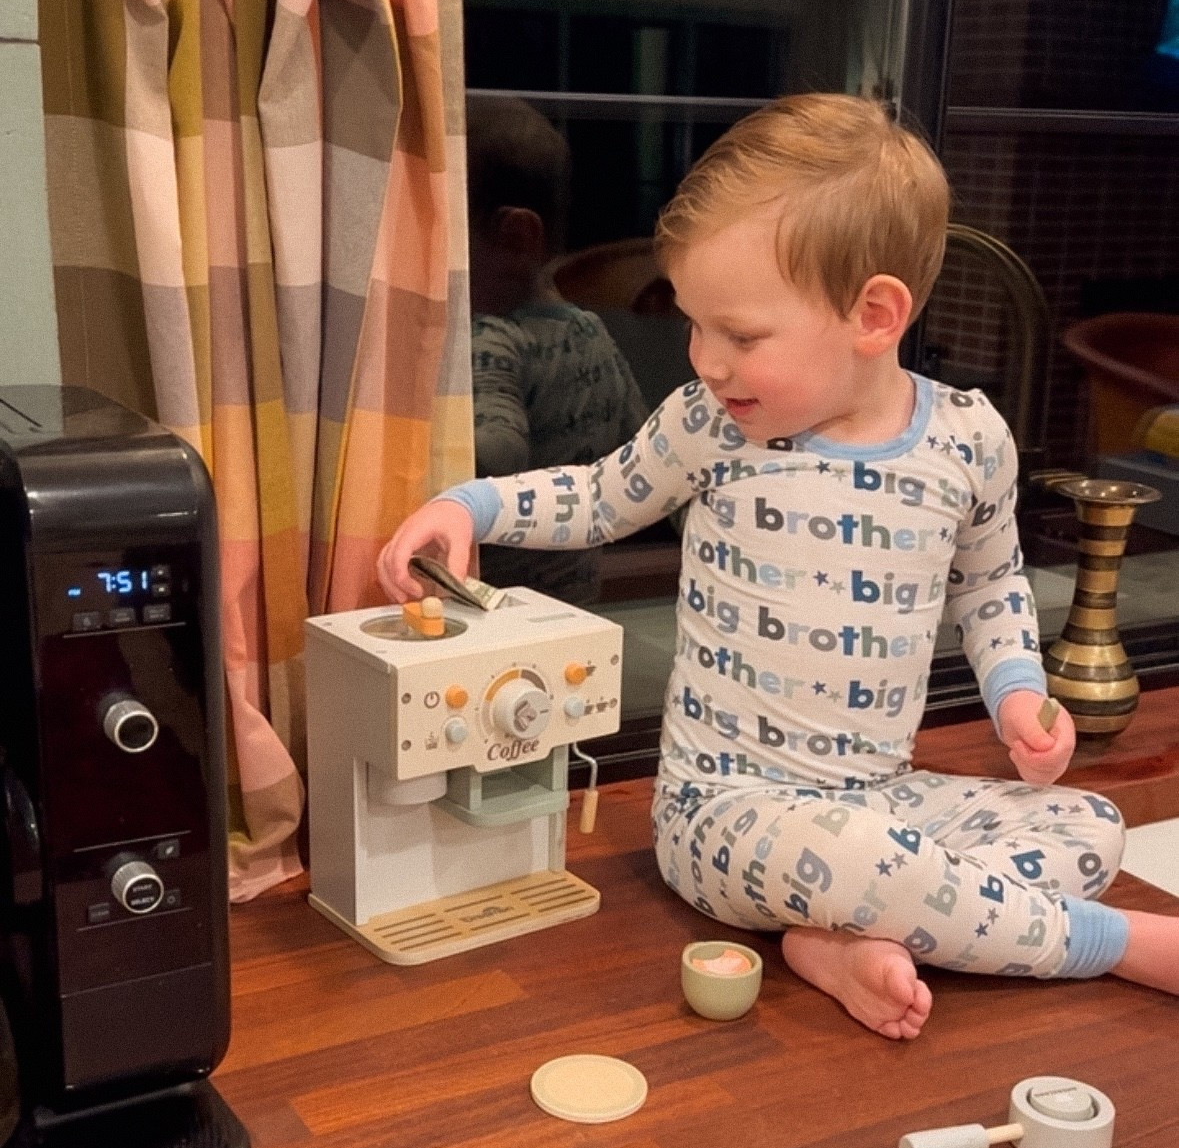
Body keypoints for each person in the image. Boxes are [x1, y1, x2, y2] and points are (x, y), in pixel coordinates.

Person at [378, 92, 1179, 1039]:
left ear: (873, 315)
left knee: (1087, 829)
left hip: (875, 796)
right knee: (877, 861)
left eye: (741, 334)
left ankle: (832, 938)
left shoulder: (966, 437)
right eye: (694, 327)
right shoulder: (711, 426)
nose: (706, 361)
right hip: (722, 811)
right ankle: (1106, 941)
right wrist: (464, 503)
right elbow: (598, 497)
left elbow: (990, 580)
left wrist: (1012, 690)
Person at [466, 95, 648, 604]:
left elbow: (500, 452)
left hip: (493, 605)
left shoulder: (491, 337)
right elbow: (641, 451)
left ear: (517, 236)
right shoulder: (594, 332)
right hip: (575, 603)